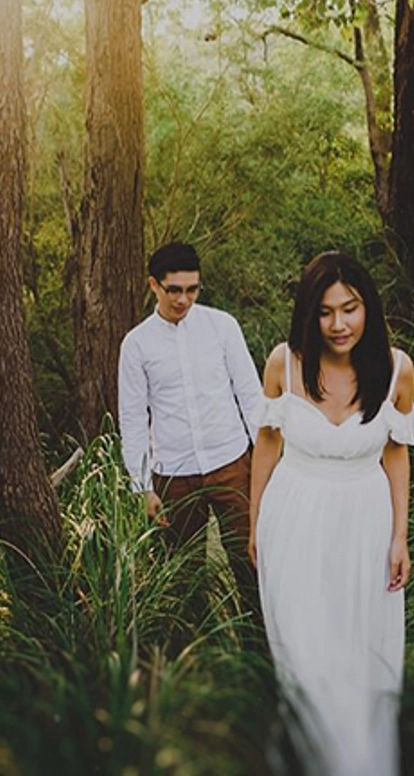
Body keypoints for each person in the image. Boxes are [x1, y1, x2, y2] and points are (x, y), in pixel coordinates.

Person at [249, 251, 414, 776]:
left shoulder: (396, 370)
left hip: (365, 523)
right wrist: (256, 525)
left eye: (350, 308)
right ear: (309, 313)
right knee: (305, 655)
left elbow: (396, 452)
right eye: (325, 312)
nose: (339, 324)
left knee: (361, 655)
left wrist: (400, 535)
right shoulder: (284, 363)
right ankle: (311, 758)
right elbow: (267, 443)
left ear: (368, 307)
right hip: (293, 519)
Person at [118, 241, 262, 612]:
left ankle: (260, 642)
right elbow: (133, 418)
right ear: (154, 285)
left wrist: (266, 461)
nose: (184, 299)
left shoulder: (222, 327)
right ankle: (196, 645)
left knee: (253, 563)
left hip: (232, 464)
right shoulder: (136, 345)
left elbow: (250, 396)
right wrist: (142, 486)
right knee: (184, 578)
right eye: (174, 290)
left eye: (192, 289)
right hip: (174, 475)